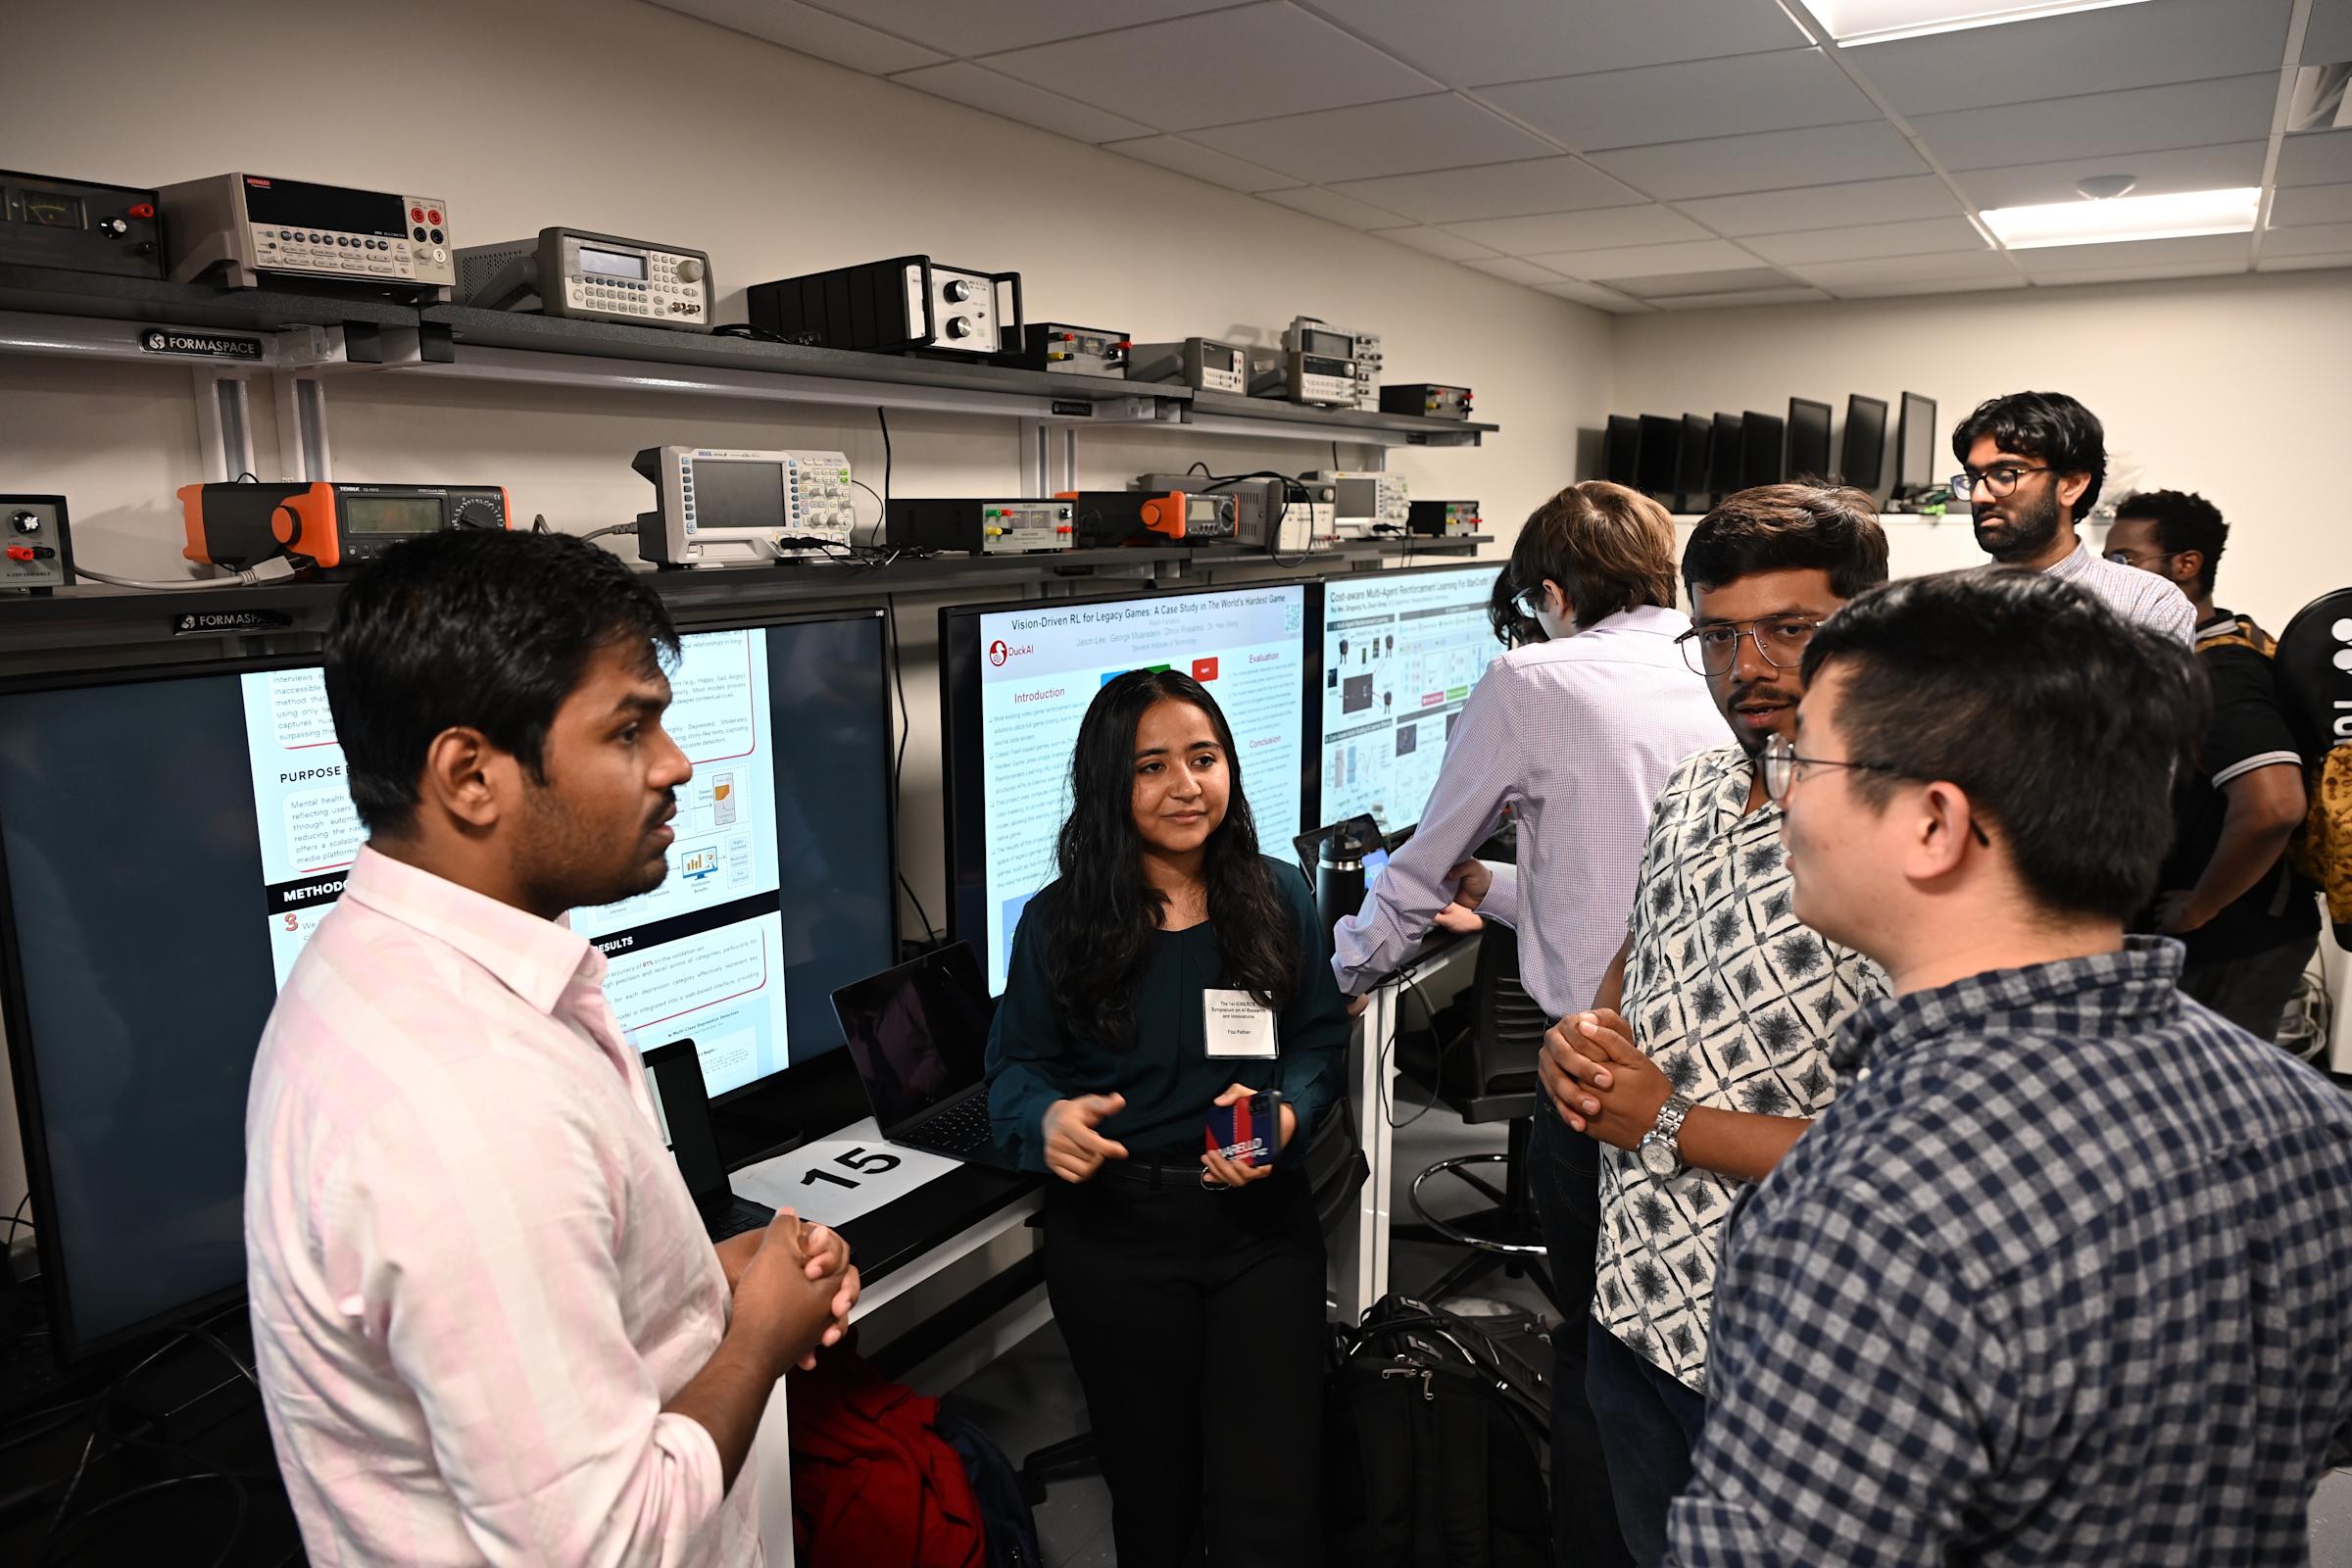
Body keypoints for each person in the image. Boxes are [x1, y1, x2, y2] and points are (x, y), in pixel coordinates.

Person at [1665, 567, 2352, 1565]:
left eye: (1804, 760)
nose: (1782, 798)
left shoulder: (1867, 1213)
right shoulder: (2303, 1113)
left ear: (1935, 825)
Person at [245, 530, 858, 1567]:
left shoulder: (384, 968)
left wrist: (711, 1286)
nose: (675, 764)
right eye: (629, 730)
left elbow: (536, 1318)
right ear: (471, 775)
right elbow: (606, 1545)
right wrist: (758, 1335)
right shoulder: (468, 1103)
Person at [1495, 485, 1890, 1566]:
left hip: (1793, 1359)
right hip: (1637, 1307)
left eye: (1788, 630)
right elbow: (1645, 942)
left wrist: (1667, 1122)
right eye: (1717, 634)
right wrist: (1587, 1033)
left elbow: (1923, 1153)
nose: (1745, 665)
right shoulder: (1699, 785)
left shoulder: (1912, 834)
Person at [1338, 480, 1724, 1568]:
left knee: (1605, 1353)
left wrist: (1347, 968)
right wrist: (1500, 892)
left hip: (1597, 1075)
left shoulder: (1532, 676)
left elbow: (1413, 867)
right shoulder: (1713, 667)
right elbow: (1637, 869)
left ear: (1553, 592)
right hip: (1717, 1062)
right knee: (1679, 1352)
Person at [984, 668, 1348, 1568]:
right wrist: (1045, 1121)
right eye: (1153, 767)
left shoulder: (1273, 893)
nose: (1187, 786)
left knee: (1273, 1500)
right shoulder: (1059, 923)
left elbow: (1317, 1041)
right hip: (1118, 1239)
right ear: (1112, 783)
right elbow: (1015, 1068)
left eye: (1204, 758)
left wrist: (1288, 1115)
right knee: (1153, 1500)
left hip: (1258, 1230)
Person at [2106, 489, 2319, 1041]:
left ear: (2187, 566)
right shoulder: (2213, 642)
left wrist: (2199, 907)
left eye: (2124, 559)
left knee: (2206, 1114)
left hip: (2232, 939)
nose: (2112, 575)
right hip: (2221, 936)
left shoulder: (2218, 670)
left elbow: (2274, 806)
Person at [1950, 390, 2193, 642]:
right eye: (1972, 478)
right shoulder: (1945, 606)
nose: (1979, 495)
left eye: (2004, 474)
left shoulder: (2145, 603)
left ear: (2071, 484)